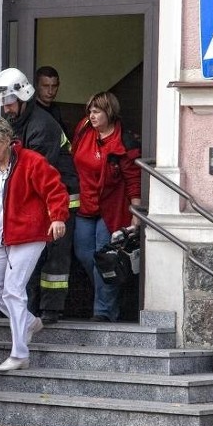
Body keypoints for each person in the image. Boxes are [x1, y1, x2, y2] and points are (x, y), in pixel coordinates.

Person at [0, 118, 69, 371]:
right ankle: (28, 322)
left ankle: (19, 354)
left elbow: (55, 190)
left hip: (29, 235)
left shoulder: (31, 161)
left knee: (13, 290)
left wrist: (58, 217)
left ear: (8, 141)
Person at [0, 67, 80, 325]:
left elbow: (37, 172)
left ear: (23, 96)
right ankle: (27, 307)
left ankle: (51, 310)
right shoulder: (15, 122)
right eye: (2, 103)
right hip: (33, 197)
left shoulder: (43, 127)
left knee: (55, 255)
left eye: (9, 102)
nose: (5, 108)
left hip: (59, 197)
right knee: (31, 253)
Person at [71, 91, 142, 323]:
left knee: (104, 257)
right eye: (90, 111)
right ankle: (110, 291)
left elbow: (133, 179)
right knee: (84, 255)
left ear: (109, 112)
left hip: (111, 207)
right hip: (85, 204)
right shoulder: (83, 129)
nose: (91, 116)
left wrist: (136, 213)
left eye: (97, 111)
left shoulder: (122, 141)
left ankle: (104, 311)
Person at [34, 65, 74, 138]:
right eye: (45, 86)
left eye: (54, 86)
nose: (50, 91)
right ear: (36, 85)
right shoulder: (31, 110)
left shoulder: (55, 109)